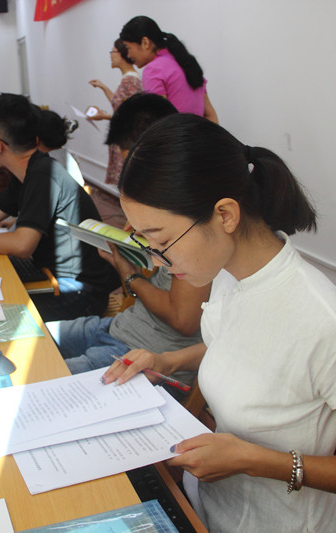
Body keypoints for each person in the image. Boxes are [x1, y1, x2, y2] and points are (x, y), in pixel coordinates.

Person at [101, 113, 336, 532]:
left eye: (162, 241)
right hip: (205, 507)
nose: (157, 262)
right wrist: (168, 361)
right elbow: (242, 346)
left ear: (225, 215)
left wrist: (255, 461)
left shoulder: (323, 324)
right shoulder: (228, 274)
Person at [48, 93, 208, 388]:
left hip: (142, 353)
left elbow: (183, 319)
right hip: (119, 328)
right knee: (32, 339)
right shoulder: (169, 209)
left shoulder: (193, 220)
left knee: (39, 381)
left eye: (129, 165)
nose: (128, 176)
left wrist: (130, 275)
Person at [0, 93, 120, 322]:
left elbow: (22, 245)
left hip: (79, 295)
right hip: (54, 277)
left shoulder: (43, 176)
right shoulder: (28, 170)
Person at [119, 16, 217, 121]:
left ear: (145, 43)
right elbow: (210, 115)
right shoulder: (186, 63)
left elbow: (158, 121)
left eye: (128, 48)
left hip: (175, 131)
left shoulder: (153, 70)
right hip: (199, 131)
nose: (128, 55)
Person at [88, 39, 143, 184]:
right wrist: (103, 87)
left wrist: (104, 116)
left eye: (112, 52)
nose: (111, 55)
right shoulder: (128, 79)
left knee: (128, 184)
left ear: (122, 54)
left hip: (127, 141)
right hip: (123, 139)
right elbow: (121, 105)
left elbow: (131, 116)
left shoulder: (130, 81)